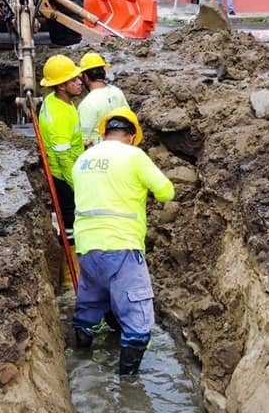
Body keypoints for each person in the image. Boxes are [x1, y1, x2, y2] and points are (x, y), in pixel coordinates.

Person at [71, 107, 175, 375]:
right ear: (130, 136)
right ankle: (128, 387)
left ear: (104, 133)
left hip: (86, 247)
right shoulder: (133, 156)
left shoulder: (83, 159)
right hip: (122, 245)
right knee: (138, 320)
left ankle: (81, 365)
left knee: (90, 306)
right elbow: (166, 191)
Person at [38, 55, 84, 286]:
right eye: (73, 79)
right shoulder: (58, 115)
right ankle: (69, 278)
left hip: (70, 168)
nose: (79, 82)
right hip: (65, 177)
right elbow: (63, 157)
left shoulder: (58, 101)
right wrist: (78, 185)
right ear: (60, 85)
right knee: (70, 226)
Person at [77, 52, 129, 148]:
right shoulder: (117, 92)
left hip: (100, 153)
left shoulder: (87, 104)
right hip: (121, 148)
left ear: (85, 76)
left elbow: (82, 138)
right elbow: (128, 118)